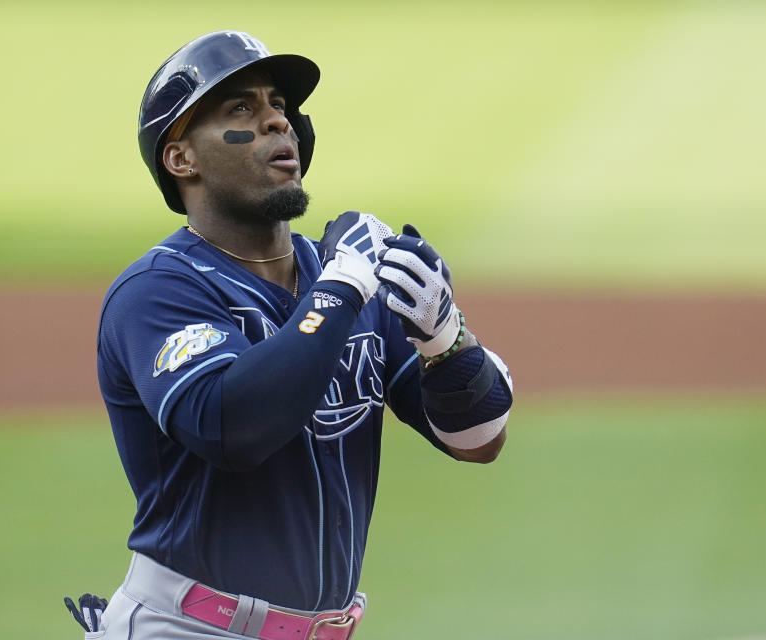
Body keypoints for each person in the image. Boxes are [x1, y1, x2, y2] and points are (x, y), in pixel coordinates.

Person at [68, 30, 513, 640]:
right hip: (188, 627)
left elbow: (478, 439)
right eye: (241, 109)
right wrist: (343, 287)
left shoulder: (341, 274)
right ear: (182, 158)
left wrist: (445, 337)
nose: (277, 120)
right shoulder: (158, 291)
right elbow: (233, 425)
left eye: (278, 104)